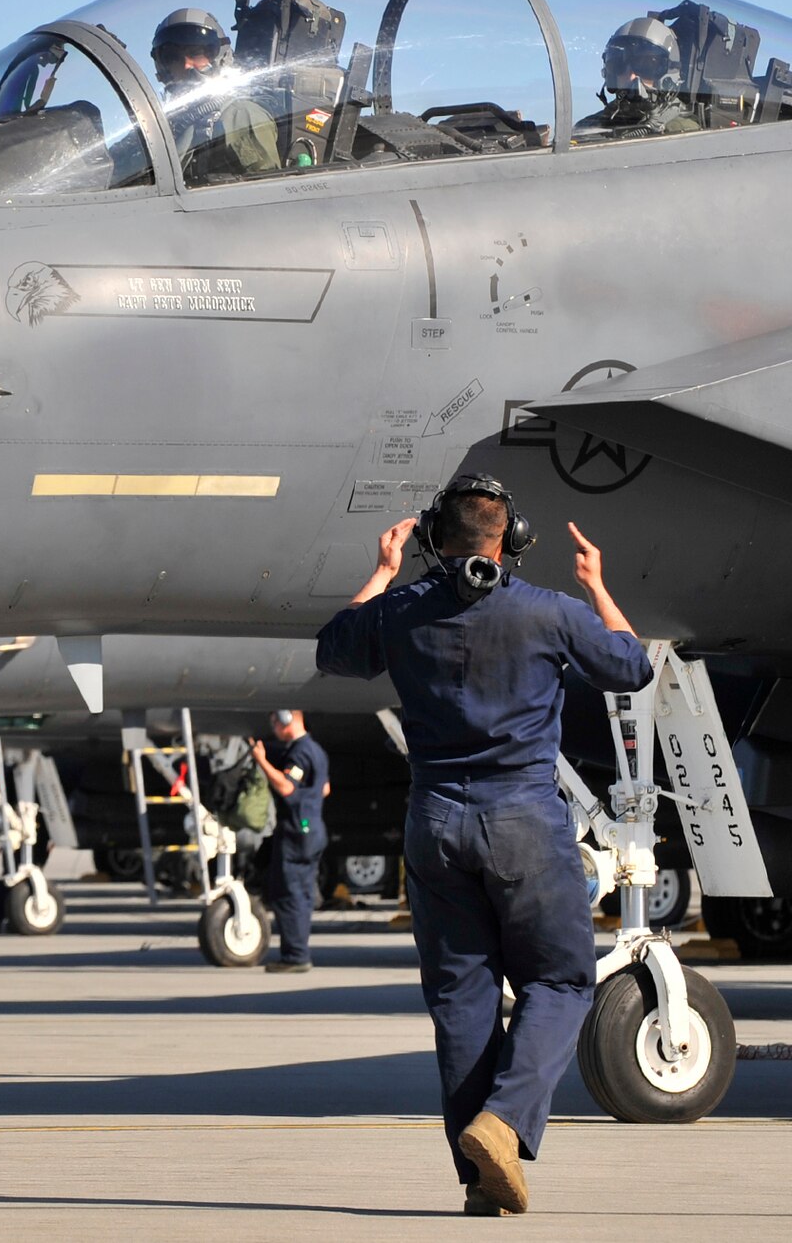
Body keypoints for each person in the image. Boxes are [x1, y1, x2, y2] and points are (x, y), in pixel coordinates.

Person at [314, 472, 653, 1217]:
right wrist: (596, 585)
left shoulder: (402, 609)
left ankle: (479, 1185)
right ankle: (502, 1123)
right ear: (513, 539)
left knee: (462, 1001)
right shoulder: (549, 611)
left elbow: (334, 648)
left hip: (435, 822)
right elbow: (631, 667)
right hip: (526, 822)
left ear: (436, 539)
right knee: (560, 981)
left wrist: (380, 570)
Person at [150, 8, 279, 181]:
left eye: (196, 53)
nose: (187, 65)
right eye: (173, 58)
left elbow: (266, 192)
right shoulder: (161, 125)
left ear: (219, 56)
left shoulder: (238, 115)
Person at [251, 709, 329, 973]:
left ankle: (295, 956)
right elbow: (325, 788)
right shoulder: (316, 750)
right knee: (303, 893)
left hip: (297, 829)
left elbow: (286, 786)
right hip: (312, 826)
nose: (272, 727)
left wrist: (261, 760)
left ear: (287, 721)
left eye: (274, 721)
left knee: (288, 893)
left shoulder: (300, 753)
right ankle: (298, 950)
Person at [573, 17, 701, 141]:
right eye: (619, 64)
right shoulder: (588, 128)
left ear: (669, 75)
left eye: (646, 65)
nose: (631, 76)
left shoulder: (684, 134)